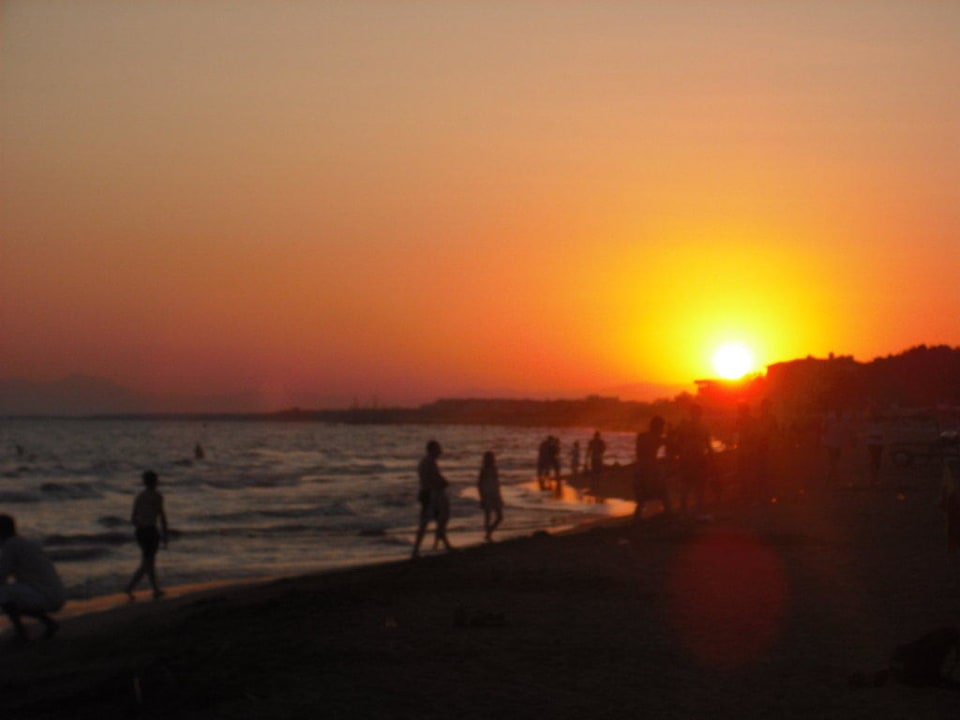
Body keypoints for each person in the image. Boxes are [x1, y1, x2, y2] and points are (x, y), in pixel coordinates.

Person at [0, 514, 65, 644]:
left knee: (3, 593)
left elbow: (1, 575)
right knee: (9, 594)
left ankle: (21, 634)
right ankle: (48, 623)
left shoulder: (11, 545)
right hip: (54, 595)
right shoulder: (24, 543)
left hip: (44, 596)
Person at [125, 470, 169, 601]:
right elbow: (162, 517)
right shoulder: (157, 496)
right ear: (155, 482)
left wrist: (140, 525)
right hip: (150, 531)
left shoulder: (139, 497)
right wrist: (165, 534)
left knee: (149, 561)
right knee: (148, 562)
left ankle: (154, 589)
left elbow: (133, 518)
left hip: (141, 532)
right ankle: (131, 587)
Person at [412, 440, 452, 558]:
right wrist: (444, 483)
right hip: (431, 495)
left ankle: (444, 544)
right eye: (438, 449)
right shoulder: (429, 462)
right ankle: (416, 550)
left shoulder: (426, 461)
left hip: (428, 494)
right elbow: (434, 479)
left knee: (438, 520)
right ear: (432, 449)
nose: (440, 451)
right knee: (431, 522)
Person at [675, 404, 712, 516]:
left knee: (693, 487)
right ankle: (692, 511)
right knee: (693, 487)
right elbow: (708, 445)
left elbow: (707, 445)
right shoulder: (689, 426)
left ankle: (689, 511)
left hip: (695, 459)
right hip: (692, 459)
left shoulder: (688, 426)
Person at [633, 416, 669, 521]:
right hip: (651, 471)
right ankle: (668, 520)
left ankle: (637, 522)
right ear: (658, 427)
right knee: (664, 496)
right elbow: (671, 444)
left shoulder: (641, 436)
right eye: (662, 427)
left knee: (641, 501)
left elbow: (639, 452)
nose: (663, 430)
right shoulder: (657, 438)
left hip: (640, 469)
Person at [477, 451, 503, 541]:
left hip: (495, 494)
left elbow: (497, 483)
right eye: (491, 458)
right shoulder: (484, 470)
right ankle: (488, 535)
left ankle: (489, 532)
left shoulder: (494, 468)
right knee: (488, 516)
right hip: (487, 495)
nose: (492, 460)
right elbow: (479, 484)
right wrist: (482, 497)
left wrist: (499, 495)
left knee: (499, 517)